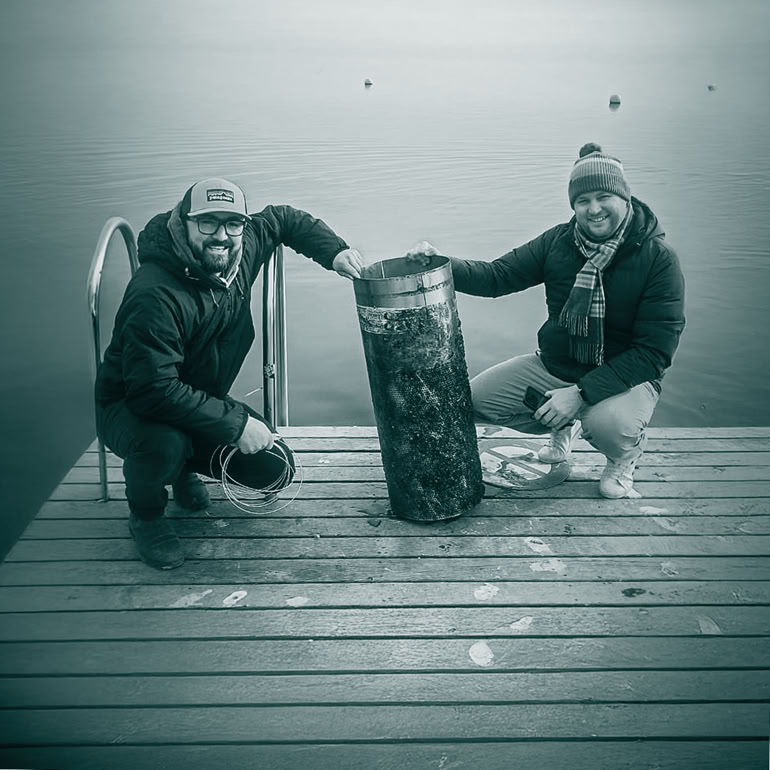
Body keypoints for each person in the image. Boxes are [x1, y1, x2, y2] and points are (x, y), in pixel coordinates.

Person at [95, 178, 363, 569]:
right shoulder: (154, 294)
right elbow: (152, 390)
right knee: (164, 446)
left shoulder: (240, 249)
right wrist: (236, 425)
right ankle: (147, 516)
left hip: (192, 400)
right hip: (131, 408)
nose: (221, 235)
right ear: (183, 222)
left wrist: (335, 252)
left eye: (232, 223)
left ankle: (184, 468)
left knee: (275, 469)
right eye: (208, 223)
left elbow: (284, 220)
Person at [404, 143, 685, 499]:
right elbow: (496, 277)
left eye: (603, 197)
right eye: (583, 201)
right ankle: (563, 426)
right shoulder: (559, 242)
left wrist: (580, 394)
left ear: (625, 199)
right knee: (470, 401)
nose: (594, 209)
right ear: (574, 205)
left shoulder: (658, 258)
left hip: (628, 378)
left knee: (608, 425)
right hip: (558, 365)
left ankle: (623, 458)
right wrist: (439, 262)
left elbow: (654, 352)